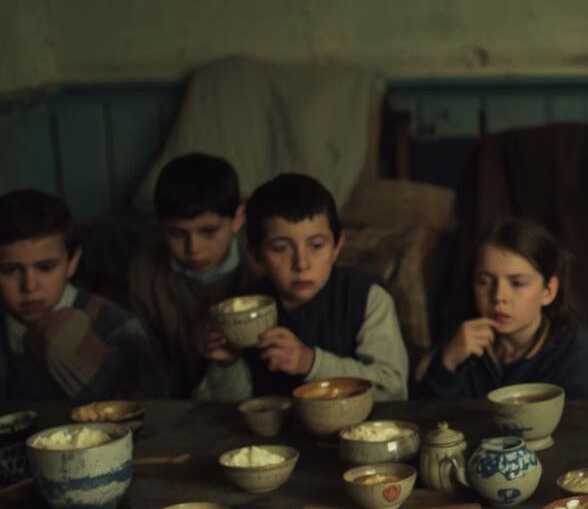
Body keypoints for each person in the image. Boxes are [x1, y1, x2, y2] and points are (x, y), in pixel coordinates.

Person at [193, 173, 407, 401]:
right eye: (280, 248)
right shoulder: (244, 310)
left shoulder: (365, 297)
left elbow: (393, 390)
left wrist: (310, 363)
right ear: (256, 255)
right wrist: (227, 365)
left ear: (337, 246)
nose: (301, 264)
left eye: (316, 246)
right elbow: (233, 406)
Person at [0, 189, 164, 400]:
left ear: (72, 262)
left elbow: (151, 401)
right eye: (9, 270)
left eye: (46, 267)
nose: (29, 286)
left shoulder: (114, 324)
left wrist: (81, 356)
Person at [418, 217, 588, 400]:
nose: (498, 297)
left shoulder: (574, 352)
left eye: (517, 283)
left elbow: (580, 424)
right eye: (484, 282)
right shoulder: (462, 336)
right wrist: (447, 362)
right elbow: (424, 415)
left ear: (548, 291)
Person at [127, 153, 255, 396]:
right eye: (177, 233)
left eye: (208, 231)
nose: (193, 248)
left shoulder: (259, 265)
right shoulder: (146, 271)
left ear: (238, 218)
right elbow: (150, 359)